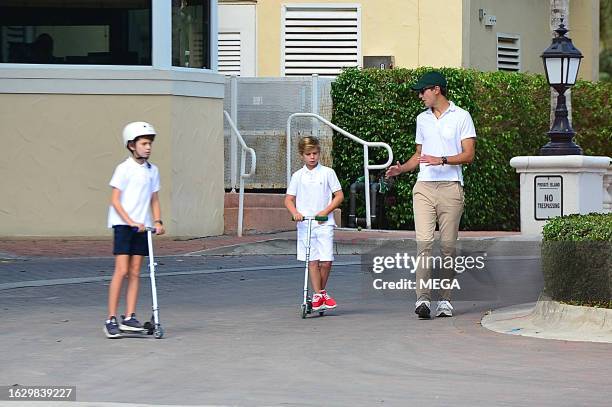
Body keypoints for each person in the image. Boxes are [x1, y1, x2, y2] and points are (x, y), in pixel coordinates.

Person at [385, 71, 476, 319]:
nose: (419, 95)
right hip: (424, 187)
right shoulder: (422, 119)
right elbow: (419, 155)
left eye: (423, 91)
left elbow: (469, 154)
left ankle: (445, 301)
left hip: (451, 188)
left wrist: (443, 159)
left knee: (448, 248)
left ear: (436, 89)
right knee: (424, 244)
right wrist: (401, 169)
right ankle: (422, 300)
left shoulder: (462, 117)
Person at [104, 122, 165, 338]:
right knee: (121, 271)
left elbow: (154, 198)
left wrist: (157, 221)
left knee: (136, 272)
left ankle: (129, 316)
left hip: (142, 226)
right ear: (132, 145)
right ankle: (110, 318)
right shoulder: (124, 169)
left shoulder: (152, 170)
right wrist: (130, 221)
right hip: (123, 225)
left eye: (149, 144)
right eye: (144, 143)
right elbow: (115, 201)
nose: (148, 147)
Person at [285, 136, 344, 311]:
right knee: (312, 261)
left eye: (315, 153)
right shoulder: (298, 176)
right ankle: (320, 295)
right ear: (302, 155)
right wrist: (295, 212)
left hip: (324, 223)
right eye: (308, 154)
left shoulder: (327, 173)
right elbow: (289, 199)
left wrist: (324, 212)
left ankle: (319, 295)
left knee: (326, 261)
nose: (312, 157)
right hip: (306, 224)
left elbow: (339, 196)